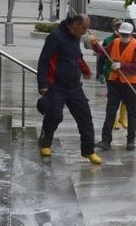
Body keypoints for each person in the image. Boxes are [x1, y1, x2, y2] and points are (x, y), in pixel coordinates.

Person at [36, 14, 102, 164]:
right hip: (57, 86)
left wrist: (84, 69)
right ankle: (45, 142)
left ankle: (89, 151)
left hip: (74, 86)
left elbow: (76, 55)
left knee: (85, 118)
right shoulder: (55, 37)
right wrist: (42, 84)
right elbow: (44, 60)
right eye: (84, 28)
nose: (85, 32)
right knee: (54, 115)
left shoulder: (76, 36)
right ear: (74, 25)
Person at [92, 22, 136, 151]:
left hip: (131, 83)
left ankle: (131, 140)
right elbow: (103, 52)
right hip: (114, 82)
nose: (124, 36)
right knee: (110, 111)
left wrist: (122, 65)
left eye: (126, 34)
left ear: (131, 34)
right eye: (122, 34)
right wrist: (94, 44)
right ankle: (106, 140)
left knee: (131, 112)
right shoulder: (115, 42)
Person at [96, 18, 128, 129]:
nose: (119, 28)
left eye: (120, 26)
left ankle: (122, 118)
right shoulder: (108, 40)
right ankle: (113, 120)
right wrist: (99, 72)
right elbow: (101, 57)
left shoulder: (127, 39)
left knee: (126, 96)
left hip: (124, 72)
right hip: (110, 72)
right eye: (117, 26)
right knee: (113, 98)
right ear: (113, 27)